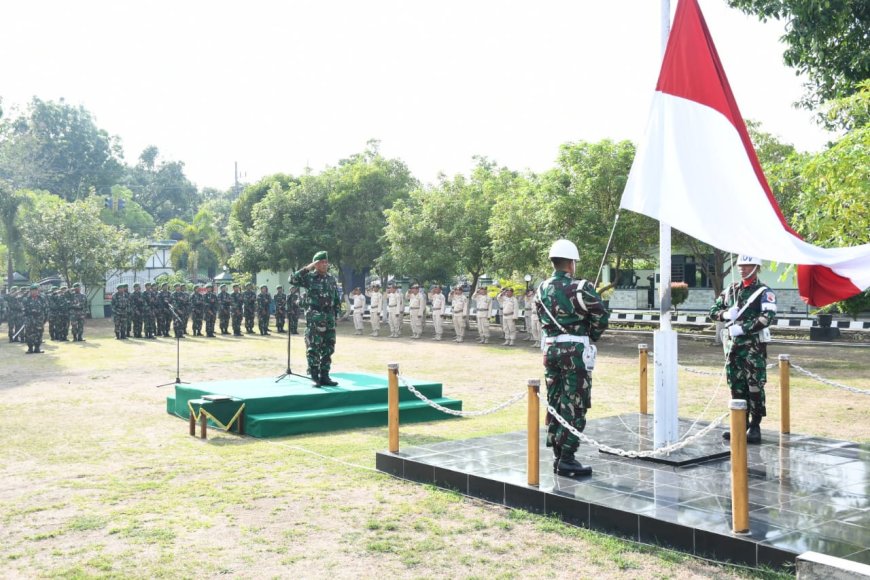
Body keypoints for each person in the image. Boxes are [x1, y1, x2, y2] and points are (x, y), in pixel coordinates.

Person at [537, 239, 609, 478]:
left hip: (551, 350)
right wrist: (590, 335)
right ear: (571, 263)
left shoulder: (541, 289)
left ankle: (558, 454)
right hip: (574, 352)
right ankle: (567, 458)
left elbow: (542, 319)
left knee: (555, 400)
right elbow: (601, 315)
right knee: (575, 402)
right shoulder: (581, 287)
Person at [710, 255, 776, 444]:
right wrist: (724, 314)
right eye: (740, 265)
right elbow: (713, 311)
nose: (743, 269)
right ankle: (740, 423)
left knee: (754, 386)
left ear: (756, 267)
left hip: (753, 349)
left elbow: (766, 318)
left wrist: (743, 328)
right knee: (736, 386)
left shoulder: (764, 292)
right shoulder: (731, 290)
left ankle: (755, 426)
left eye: (747, 265)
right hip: (733, 348)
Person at [289, 251, 342, 387]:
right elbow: (293, 280)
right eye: (321, 262)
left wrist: (337, 313)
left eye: (326, 262)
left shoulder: (331, 278)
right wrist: (308, 268)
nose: (325, 264)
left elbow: (335, 297)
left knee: (329, 347)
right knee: (313, 347)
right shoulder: (309, 278)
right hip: (314, 318)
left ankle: (325, 376)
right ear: (316, 264)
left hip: (329, 317)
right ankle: (314, 376)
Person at [22, 284, 48, 354]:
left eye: (35, 290)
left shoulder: (42, 299)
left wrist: (44, 319)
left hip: (39, 319)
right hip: (29, 320)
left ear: (38, 291)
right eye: (32, 290)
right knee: (29, 334)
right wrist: (29, 313)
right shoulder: (26, 299)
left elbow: (46, 309)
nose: (34, 292)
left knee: (39, 334)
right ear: (30, 291)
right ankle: (30, 348)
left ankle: (37, 348)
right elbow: (23, 310)